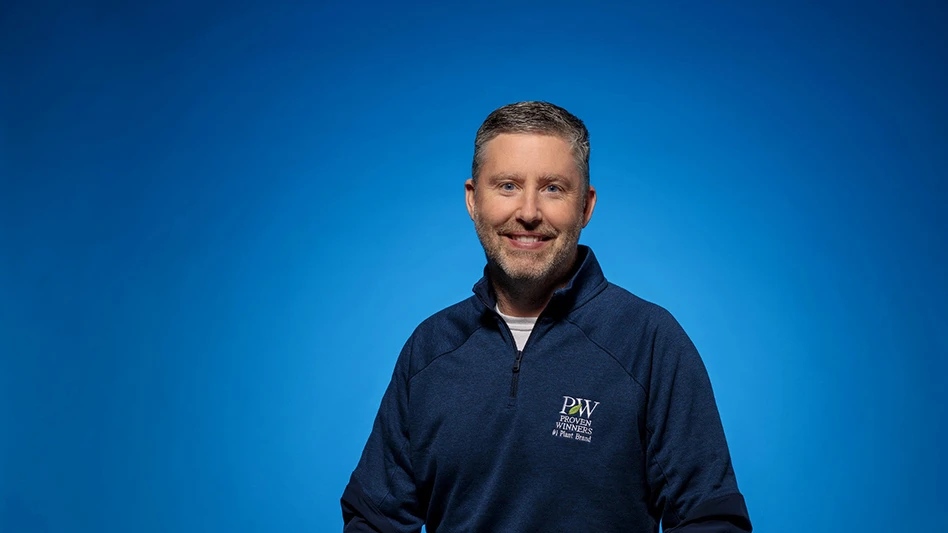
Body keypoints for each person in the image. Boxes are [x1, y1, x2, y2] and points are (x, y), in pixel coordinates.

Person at [341, 101, 752, 532]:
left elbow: (711, 519)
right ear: (472, 199)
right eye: (507, 186)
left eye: (553, 188)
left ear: (586, 206)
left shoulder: (649, 343)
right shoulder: (430, 350)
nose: (529, 212)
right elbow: (374, 521)